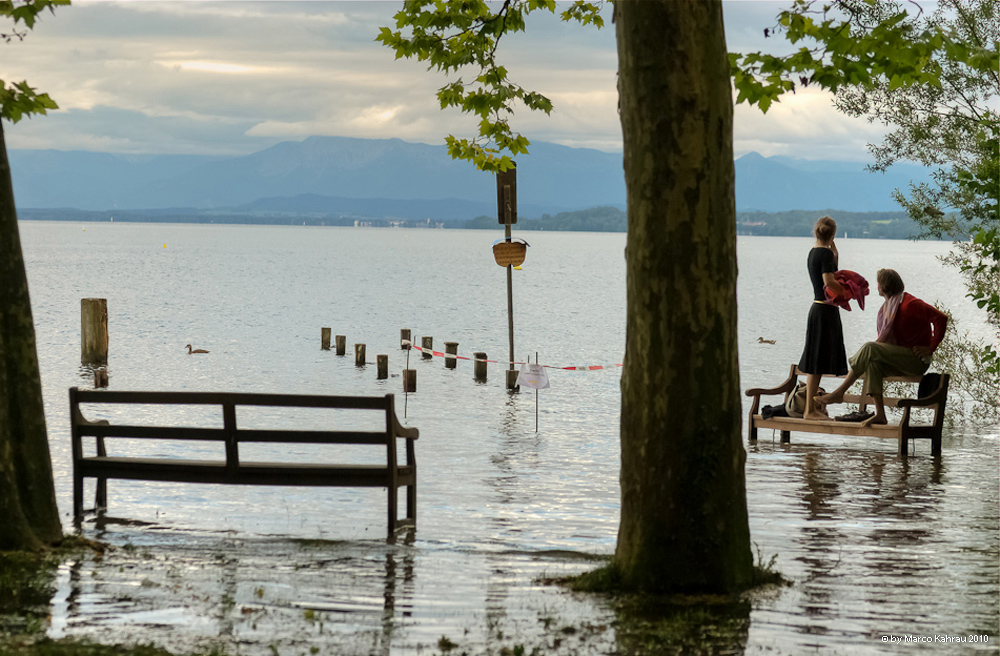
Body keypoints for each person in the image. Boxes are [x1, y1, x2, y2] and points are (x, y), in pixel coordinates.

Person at [817, 268, 948, 426]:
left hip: (916, 360)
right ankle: (880, 414)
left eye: (878, 283)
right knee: (873, 363)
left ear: (884, 287)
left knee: (870, 348)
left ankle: (839, 392)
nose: (877, 287)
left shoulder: (910, 304)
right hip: (898, 359)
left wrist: (931, 347)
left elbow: (941, 318)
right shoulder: (886, 309)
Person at [798, 216, 848, 420]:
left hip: (818, 309)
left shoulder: (814, 252)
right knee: (817, 362)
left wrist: (835, 257)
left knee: (815, 362)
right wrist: (846, 291)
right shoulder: (825, 254)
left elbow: (823, 277)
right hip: (825, 312)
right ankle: (810, 410)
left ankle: (811, 408)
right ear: (833, 234)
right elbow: (828, 281)